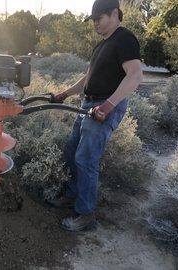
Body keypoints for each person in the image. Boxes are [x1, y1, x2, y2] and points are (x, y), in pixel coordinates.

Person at [48, 0, 143, 232]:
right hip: (89, 105)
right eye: (92, 20)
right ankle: (72, 195)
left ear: (114, 13)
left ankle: (86, 213)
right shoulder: (101, 46)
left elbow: (135, 75)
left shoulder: (124, 38)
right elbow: (87, 79)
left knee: (86, 158)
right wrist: (64, 93)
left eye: (98, 19)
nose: (95, 24)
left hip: (104, 106)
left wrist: (108, 106)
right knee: (72, 152)